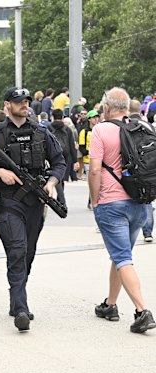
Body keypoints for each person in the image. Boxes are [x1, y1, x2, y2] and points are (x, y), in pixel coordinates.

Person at [0, 87, 66, 332]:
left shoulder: (41, 132)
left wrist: (51, 183)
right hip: (9, 203)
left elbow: (59, 163)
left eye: (26, 101)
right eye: (19, 101)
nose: (24, 105)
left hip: (36, 203)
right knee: (17, 251)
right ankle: (21, 309)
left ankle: (16, 298)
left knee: (28, 254)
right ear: (7, 105)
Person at [89, 87, 156, 333]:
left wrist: (95, 200)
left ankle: (142, 311)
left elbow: (94, 170)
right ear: (127, 108)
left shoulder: (101, 129)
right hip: (140, 202)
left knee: (123, 258)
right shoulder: (146, 127)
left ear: (107, 107)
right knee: (121, 255)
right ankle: (110, 304)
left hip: (112, 203)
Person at [48, 109, 78, 206]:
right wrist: (75, 160)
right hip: (65, 155)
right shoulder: (67, 129)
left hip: (52, 154)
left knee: (56, 176)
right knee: (61, 176)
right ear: (62, 117)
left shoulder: (48, 128)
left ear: (52, 117)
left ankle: (61, 199)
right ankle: (60, 199)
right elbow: (72, 146)